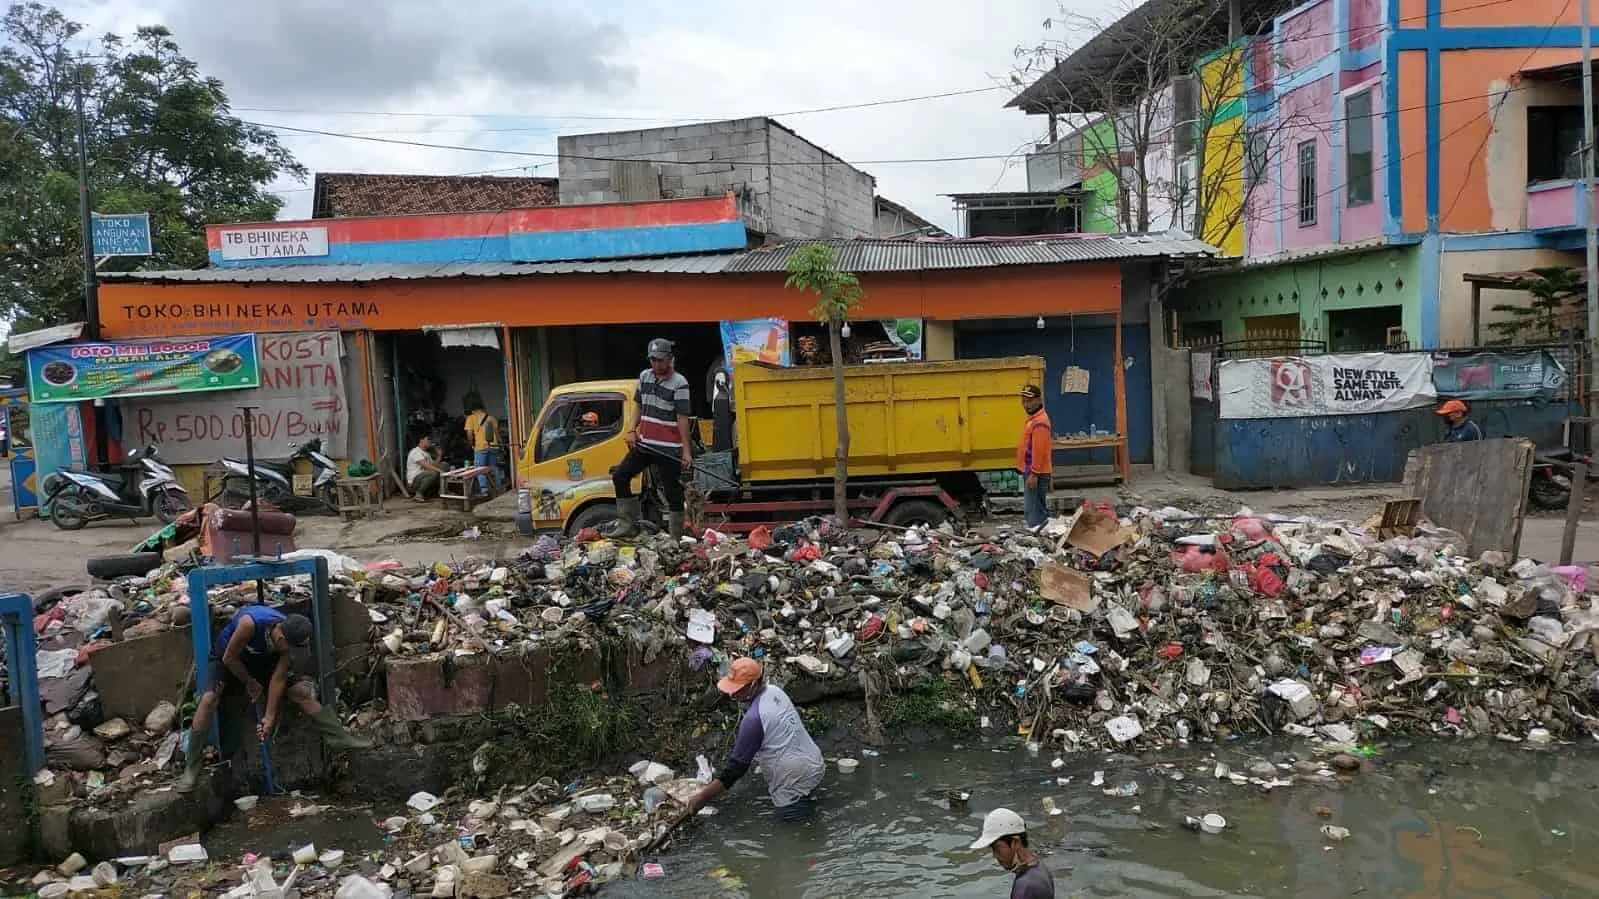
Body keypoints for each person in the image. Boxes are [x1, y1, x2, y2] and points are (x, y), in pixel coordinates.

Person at [178, 605, 370, 792]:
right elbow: (229, 658)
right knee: (209, 699)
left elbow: (278, 679)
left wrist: (269, 718)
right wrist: (249, 682)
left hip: (260, 662)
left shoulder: (285, 645)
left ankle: (338, 737)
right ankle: (192, 766)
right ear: (280, 636)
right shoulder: (249, 624)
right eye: (289, 647)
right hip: (228, 658)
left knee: (301, 692)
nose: (290, 651)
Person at [680, 657, 825, 823]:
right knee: (809, 813)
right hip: (813, 763)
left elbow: (735, 770)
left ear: (753, 685)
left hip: (794, 781)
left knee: (793, 834)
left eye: (738, 689)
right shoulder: (774, 691)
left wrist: (702, 797)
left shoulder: (753, 719)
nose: (732, 693)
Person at [609, 338, 693, 539]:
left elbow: (682, 419)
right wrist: (631, 430)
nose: (656, 364)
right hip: (646, 443)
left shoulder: (680, 383)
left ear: (670, 359)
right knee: (620, 476)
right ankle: (627, 524)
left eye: (660, 360)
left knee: (673, 493)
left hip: (668, 447)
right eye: (653, 360)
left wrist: (686, 451)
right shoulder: (645, 377)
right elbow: (638, 405)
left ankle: (675, 537)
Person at [970, 807, 1055, 898]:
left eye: (997, 848)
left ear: (1016, 842)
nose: (995, 855)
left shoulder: (1025, 887)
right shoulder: (1039, 866)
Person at [1017, 385, 1054, 531]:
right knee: (1036, 507)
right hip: (1032, 471)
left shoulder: (1040, 422)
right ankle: (1042, 534)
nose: (1026, 405)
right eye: (1024, 401)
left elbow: (1039, 450)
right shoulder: (1034, 419)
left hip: (1035, 472)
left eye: (1030, 401)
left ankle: (1038, 535)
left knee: (1032, 510)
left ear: (1039, 400)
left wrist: (1034, 474)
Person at [464, 396, 503, 495]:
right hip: (494, 446)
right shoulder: (491, 418)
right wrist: (501, 446)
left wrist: (471, 444)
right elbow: (498, 434)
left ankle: (484, 490)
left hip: (480, 447)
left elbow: (469, 434)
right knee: (493, 467)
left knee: (480, 468)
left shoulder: (471, 418)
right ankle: (498, 488)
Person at [406, 434, 444, 501]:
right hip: (414, 482)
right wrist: (439, 471)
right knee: (434, 472)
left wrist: (439, 456)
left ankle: (442, 490)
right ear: (421, 440)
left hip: (425, 478)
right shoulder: (415, 451)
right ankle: (418, 494)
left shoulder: (427, 454)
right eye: (428, 439)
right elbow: (425, 465)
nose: (430, 441)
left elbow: (433, 465)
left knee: (444, 465)